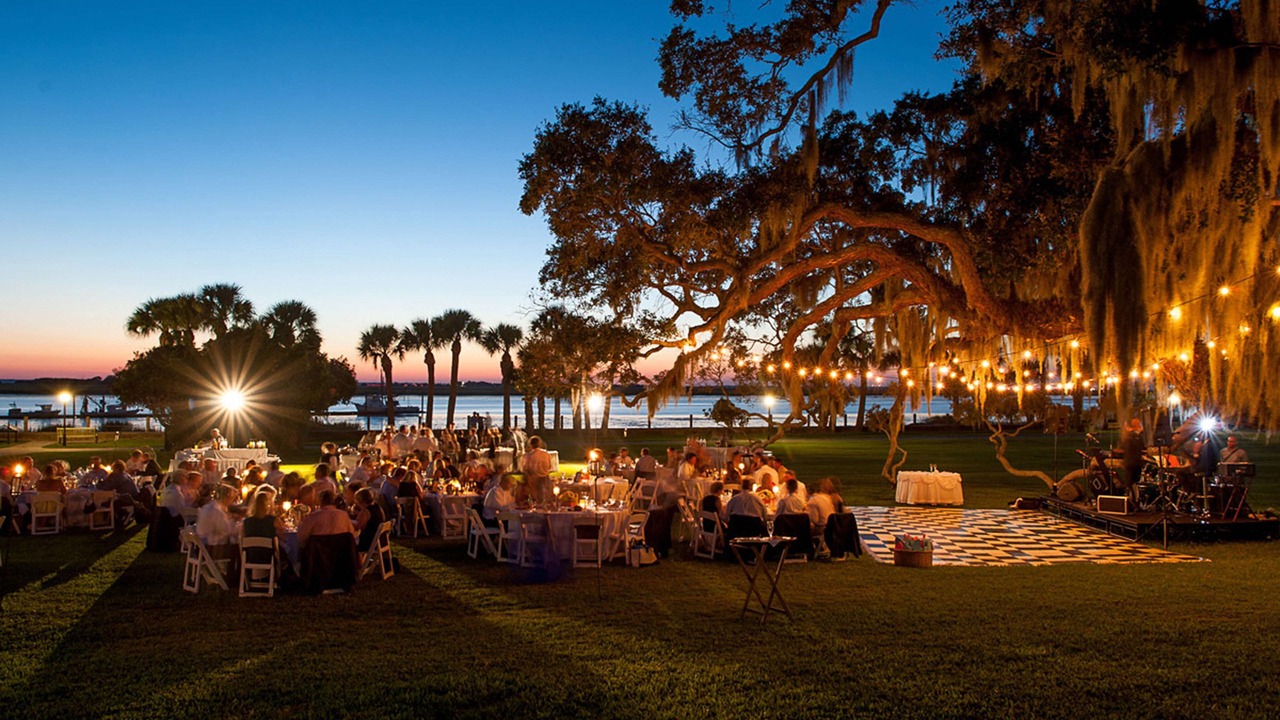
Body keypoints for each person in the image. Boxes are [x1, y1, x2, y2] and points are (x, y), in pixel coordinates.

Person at [196, 484, 240, 563]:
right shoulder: (216, 511)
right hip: (211, 549)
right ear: (227, 497)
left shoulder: (208, 507)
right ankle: (234, 574)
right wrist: (236, 522)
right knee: (240, 550)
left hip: (201, 548)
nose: (232, 502)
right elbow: (228, 530)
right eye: (232, 499)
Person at [353, 487, 385, 559]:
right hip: (379, 541)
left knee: (347, 542)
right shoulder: (377, 507)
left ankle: (356, 564)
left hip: (369, 542)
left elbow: (358, 526)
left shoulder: (366, 511)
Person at [520, 435, 554, 504]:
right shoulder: (546, 454)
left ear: (531, 444)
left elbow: (525, 469)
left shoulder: (528, 456)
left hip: (533, 481)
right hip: (545, 479)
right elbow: (550, 467)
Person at [1117, 417, 1145, 490]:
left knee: (1136, 483)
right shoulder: (1131, 436)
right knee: (1130, 483)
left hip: (1137, 463)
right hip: (1131, 463)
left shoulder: (1140, 436)